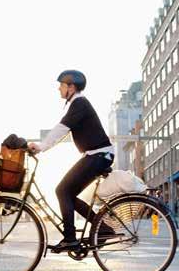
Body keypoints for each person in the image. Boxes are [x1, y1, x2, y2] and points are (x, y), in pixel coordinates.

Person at [28, 70, 114, 251]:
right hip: (95, 155)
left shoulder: (79, 103)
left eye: (61, 85)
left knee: (62, 190)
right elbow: (63, 129)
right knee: (67, 193)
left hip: (98, 155)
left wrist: (41, 146)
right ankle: (103, 228)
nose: (59, 88)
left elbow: (61, 128)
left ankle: (70, 238)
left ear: (71, 87)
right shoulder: (77, 104)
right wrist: (43, 146)